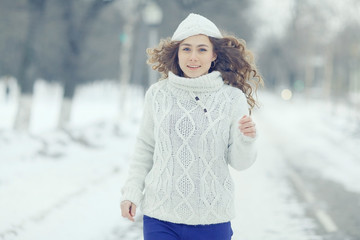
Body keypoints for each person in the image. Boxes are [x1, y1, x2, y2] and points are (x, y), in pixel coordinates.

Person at [120, 13, 263, 240]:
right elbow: (145, 147)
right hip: (160, 216)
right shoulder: (158, 95)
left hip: (212, 218)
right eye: (186, 49)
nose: (193, 57)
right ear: (176, 53)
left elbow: (240, 163)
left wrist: (246, 140)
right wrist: (131, 192)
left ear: (214, 54)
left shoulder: (232, 99)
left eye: (201, 49)